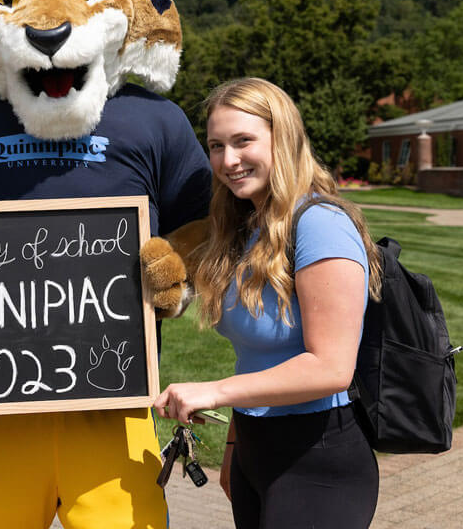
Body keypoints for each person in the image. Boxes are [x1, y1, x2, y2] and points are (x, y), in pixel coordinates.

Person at [153, 77, 383, 529]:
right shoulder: (249, 228)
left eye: (243, 141)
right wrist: (237, 449)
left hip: (316, 460)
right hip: (256, 454)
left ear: (284, 139)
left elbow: (331, 367)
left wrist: (213, 391)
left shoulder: (321, 225)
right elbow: (256, 358)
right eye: (216, 146)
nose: (228, 160)